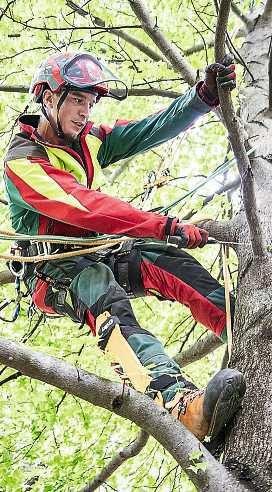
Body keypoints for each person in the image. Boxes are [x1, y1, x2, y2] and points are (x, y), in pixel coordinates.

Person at [4, 52, 245, 442]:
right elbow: (88, 208)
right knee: (103, 291)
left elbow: (150, 129)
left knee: (164, 259)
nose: (85, 112)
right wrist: (163, 225)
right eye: (77, 100)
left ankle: (243, 323)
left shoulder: (90, 140)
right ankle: (179, 405)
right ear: (49, 99)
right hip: (56, 271)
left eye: (90, 102)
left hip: (99, 251)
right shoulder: (23, 162)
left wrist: (202, 97)